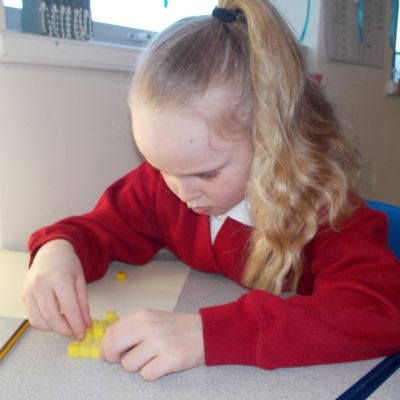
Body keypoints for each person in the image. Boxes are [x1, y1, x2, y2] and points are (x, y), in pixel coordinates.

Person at [22, 0, 400, 381]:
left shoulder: (326, 213)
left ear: (272, 141)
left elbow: (380, 312)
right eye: (162, 168)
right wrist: (58, 251)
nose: (182, 192)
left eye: (207, 174)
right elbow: (98, 228)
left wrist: (208, 335)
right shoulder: (164, 187)